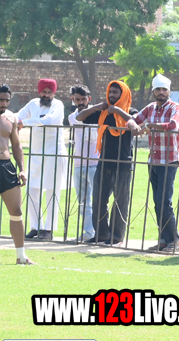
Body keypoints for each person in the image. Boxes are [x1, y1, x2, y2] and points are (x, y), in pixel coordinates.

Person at [75, 81, 142, 246]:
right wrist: (96, 107)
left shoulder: (130, 111)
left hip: (123, 163)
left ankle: (116, 236)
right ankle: (101, 234)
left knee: (120, 201)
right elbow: (79, 117)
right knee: (98, 199)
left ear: (123, 94)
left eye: (115, 92)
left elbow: (134, 122)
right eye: (110, 92)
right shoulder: (103, 113)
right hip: (104, 162)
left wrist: (118, 110)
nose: (111, 95)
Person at [134, 74, 179, 253]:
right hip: (153, 160)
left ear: (169, 91)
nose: (161, 92)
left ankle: (175, 241)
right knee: (157, 202)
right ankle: (164, 240)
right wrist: (133, 125)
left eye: (164, 89)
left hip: (169, 160)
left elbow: (173, 125)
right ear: (153, 91)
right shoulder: (150, 108)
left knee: (165, 202)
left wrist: (149, 126)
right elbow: (134, 119)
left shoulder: (175, 107)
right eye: (158, 89)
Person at [17, 78, 66, 240]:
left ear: (54, 93)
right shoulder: (33, 104)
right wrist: (9, 119)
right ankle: (36, 227)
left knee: (52, 190)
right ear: (39, 92)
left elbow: (48, 121)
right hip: (36, 153)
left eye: (49, 92)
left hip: (54, 153)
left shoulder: (58, 105)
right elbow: (18, 116)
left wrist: (24, 123)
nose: (46, 95)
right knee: (32, 189)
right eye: (44, 92)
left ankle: (48, 230)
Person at [0, 85, 34, 264]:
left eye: (7, 100)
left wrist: (22, 169)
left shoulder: (11, 117)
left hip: (6, 167)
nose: (4, 103)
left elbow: (16, 145)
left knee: (16, 211)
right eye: (1, 100)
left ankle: (21, 256)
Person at [66, 86, 99, 243]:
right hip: (79, 163)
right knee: (83, 201)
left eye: (83, 99)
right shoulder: (72, 117)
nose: (80, 102)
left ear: (89, 99)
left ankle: (100, 232)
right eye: (77, 99)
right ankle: (88, 232)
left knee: (99, 199)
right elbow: (80, 120)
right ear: (73, 99)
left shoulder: (98, 115)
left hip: (95, 162)